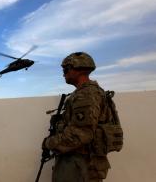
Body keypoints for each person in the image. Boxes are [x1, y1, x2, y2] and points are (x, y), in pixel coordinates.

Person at [42, 52, 111, 182]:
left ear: (79, 69)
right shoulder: (86, 93)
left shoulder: (86, 95)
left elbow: (80, 134)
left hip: (80, 165)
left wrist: (49, 143)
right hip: (78, 163)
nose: (63, 74)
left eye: (66, 69)